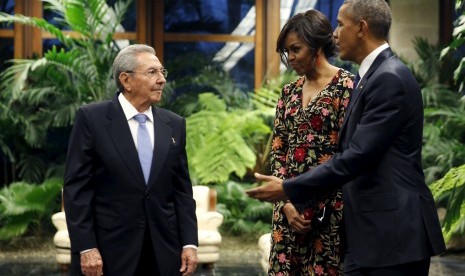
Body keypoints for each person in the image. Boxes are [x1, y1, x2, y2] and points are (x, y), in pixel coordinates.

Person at [246, 1, 446, 275]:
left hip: (390, 233)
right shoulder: (372, 77)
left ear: (362, 28)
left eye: (341, 24)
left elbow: (356, 156)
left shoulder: (386, 78)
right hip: (372, 232)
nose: (335, 34)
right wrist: (288, 200)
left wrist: (289, 189)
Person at [63, 44, 198, 276]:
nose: (162, 80)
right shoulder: (92, 119)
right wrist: (86, 246)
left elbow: (182, 191)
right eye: (152, 72)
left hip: (163, 252)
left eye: (162, 72)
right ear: (126, 80)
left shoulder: (174, 124)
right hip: (108, 252)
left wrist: (189, 243)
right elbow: (77, 189)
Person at [265, 9, 353, 276]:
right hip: (287, 212)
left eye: (295, 49)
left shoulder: (347, 87)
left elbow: (349, 154)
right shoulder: (288, 92)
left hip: (330, 213)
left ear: (317, 45)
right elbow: (278, 150)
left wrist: (311, 204)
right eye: (286, 52)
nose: (290, 58)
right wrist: (287, 204)